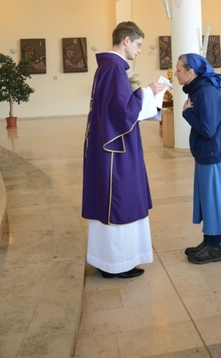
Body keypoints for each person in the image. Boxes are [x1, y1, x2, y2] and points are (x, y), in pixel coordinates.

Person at [82, 21, 166, 278]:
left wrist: (144, 95)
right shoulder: (115, 68)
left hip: (110, 147)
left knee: (116, 200)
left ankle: (106, 260)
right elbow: (122, 112)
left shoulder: (108, 67)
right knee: (119, 200)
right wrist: (148, 91)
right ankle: (116, 264)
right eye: (139, 44)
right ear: (126, 41)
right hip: (116, 152)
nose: (140, 50)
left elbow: (118, 108)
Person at [174, 53, 221, 264]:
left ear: (191, 72)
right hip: (210, 153)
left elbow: (208, 128)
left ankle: (215, 248)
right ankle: (209, 239)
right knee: (208, 200)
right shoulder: (200, 88)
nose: (175, 73)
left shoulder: (205, 92)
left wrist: (187, 113)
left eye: (178, 70)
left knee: (213, 200)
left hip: (215, 154)